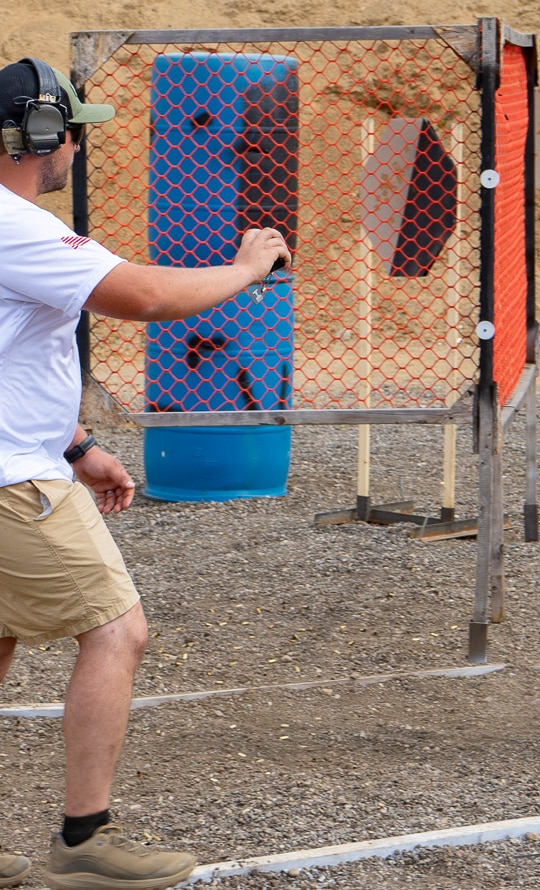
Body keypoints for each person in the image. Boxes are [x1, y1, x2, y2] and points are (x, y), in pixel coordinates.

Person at [0, 58, 289, 890]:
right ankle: (85, 841)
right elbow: (144, 297)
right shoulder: (17, 226)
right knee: (117, 632)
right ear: (37, 135)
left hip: (26, 460)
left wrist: (78, 442)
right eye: (71, 132)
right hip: (15, 484)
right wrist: (245, 270)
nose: (77, 150)